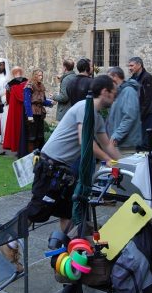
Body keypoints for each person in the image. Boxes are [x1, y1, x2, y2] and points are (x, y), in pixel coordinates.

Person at [25, 75, 121, 232]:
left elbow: (106, 144)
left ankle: (64, 248)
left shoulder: (96, 117)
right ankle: (9, 244)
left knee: (68, 213)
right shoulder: (85, 108)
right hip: (51, 166)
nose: (115, 97)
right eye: (114, 93)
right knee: (37, 210)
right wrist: (107, 160)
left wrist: (126, 163)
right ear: (105, 92)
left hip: (64, 171)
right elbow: (85, 142)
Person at [106, 66, 142, 155]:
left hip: (126, 147)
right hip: (119, 145)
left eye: (108, 78)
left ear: (115, 76)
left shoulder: (128, 91)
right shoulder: (119, 92)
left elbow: (129, 117)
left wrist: (116, 136)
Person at [128, 56, 152, 152]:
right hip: (138, 115)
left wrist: (140, 116)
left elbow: (148, 101)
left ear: (139, 65)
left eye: (132, 65)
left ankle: (148, 165)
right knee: (138, 143)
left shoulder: (147, 78)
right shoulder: (133, 79)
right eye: (129, 66)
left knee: (145, 144)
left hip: (148, 115)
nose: (130, 68)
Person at [24, 69, 53, 152]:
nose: (41, 77)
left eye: (42, 75)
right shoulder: (29, 85)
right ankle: (31, 156)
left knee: (40, 136)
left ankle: (39, 155)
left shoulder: (42, 86)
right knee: (32, 136)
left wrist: (51, 103)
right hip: (32, 113)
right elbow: (27, 101)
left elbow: (43, 101)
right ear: (35, 76)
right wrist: (29, 115)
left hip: (40, 113)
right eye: (39, 75)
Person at [3, 66, 29, 157]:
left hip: (14, 110)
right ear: (21, 72)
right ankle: (24, 148)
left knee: (15, 127)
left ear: (13, 73)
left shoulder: (9, 85)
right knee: (23, 127)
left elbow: (8, 98)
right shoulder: (27, 82)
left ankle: (16, 147)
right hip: (25, 108)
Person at [0, 58, 11, 146]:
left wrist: (3, 94)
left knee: (4, 119)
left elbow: (8, 88)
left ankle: (4, 138)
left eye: (3, 65)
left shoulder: (6, 76)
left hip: (4, 98)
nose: (2, 66)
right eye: (0, 65)